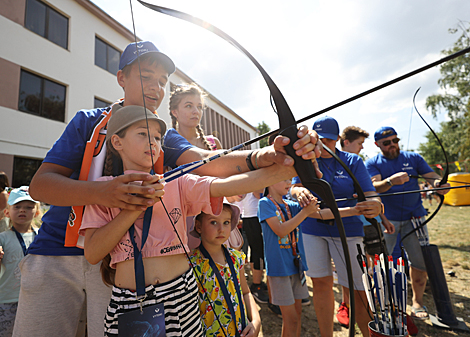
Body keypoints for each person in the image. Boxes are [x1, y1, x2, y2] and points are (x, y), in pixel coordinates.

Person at [18, 40, 321, 336]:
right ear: (121, 78)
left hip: (117, 267)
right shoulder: (90, 121)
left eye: (162, 81)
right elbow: (41, 186)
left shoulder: (161, 136)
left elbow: (208, 163)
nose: (155, 88)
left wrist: (266, 156)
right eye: (145, 76)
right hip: (56, 253)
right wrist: (103, 193)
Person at [80, 104, 298, 335]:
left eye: (156, 136)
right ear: (117, 142)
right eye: (142, 134)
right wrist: (134, 208)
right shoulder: (105, 190)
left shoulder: (176, 181)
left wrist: (287, 167)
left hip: (182, 295)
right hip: (132, 303)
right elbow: (93, 253)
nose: (152, 141)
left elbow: (228, 184)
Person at [291, 116, 383, 336]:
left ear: (338, 139)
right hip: (313, 230)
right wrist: (298, 192)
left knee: (358, 289)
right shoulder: (305, 161)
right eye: (319, 139)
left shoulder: (352, 161)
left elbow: (370, 194)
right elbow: (294, 188)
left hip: (349, 230)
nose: (323, 145)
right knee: (321, 284)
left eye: (329, 140)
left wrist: (377, 206)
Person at [365, 126, 450, 320]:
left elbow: (432, 177)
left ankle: (417, 302)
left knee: (420, 262)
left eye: (395, 140)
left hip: (415, 218)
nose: (393, 145)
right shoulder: (372, 163)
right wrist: (390, 181)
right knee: (380, 262)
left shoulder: (414, 158)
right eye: (387, 143)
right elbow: (373, 186)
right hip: (387, 220)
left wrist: (439, 185)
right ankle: (380, 299)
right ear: (377, 144)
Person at [337, 126, 395, 327]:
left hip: (371, 224)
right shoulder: (338, 165)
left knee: (378, 264)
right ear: (346, 142)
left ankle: (382, 303)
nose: (362, 147)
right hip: (351, 225)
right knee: (352, 268)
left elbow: (372, 194)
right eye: (359, 143)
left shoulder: (360, 164)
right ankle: (347, 304)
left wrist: (383, 218)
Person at [258, 178, 320, 337]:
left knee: (297, 315)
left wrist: (355, 210)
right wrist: (306, 212)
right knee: (291, 318)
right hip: (279, 269)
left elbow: (322, 214)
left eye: (289, 179)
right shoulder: (264, 203)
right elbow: (280, 230)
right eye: (283, 179)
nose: (289, 183)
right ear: (270, 181)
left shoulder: (290, 205)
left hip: (296, 266)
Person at [190, 203, 261, 337]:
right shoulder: (192, 263)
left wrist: (256, 320)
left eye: (226, 222)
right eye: (213, 222)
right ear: (198, 226)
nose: (221, 229)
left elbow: (246, 292)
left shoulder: (236, 258)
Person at [0, 187, 39, 336]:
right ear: (7, 212)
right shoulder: (2, 238)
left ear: (36, 212)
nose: (23, 210)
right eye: (17, 206)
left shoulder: (42, 236)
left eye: (28, 207)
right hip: (6, 301)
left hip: (34, 299)